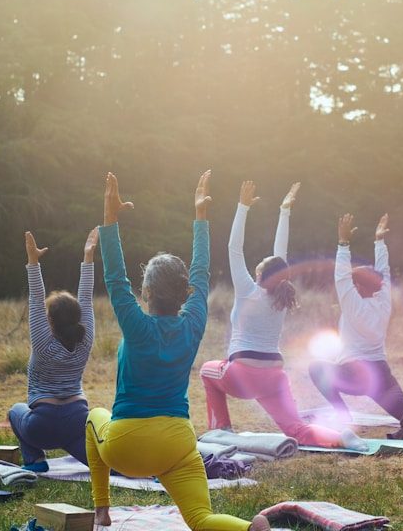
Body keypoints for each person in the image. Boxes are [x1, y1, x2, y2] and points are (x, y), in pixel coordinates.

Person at [86, 172, 269, 531]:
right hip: (178, 444)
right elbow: (201, 272)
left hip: (126, 448)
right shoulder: (193, 323)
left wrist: (110, 218)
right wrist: (201, 217)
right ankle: (249, 528)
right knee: (200, 519)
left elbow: (115, 278)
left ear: (146, 293)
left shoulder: (136, 326)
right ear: (185, 293)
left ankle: (101, 509)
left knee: (93, 415)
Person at [200, 181, 366, 450]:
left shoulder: (248, 290)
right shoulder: (281, 297)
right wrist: (284, 211)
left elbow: (234, 248)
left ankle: (222, 430)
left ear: (259, 273)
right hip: (274, 376)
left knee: (207, 371)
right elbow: (281, 255)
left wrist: (242, 207)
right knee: (296, 429)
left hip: (241, 374)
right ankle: (342, 437)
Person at [309, 213, 403, 424]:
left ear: (358, 287)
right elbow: (384, 272)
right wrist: (379, 241)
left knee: (316, 368)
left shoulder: (353, 306)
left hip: (354, 375)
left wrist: (343, 243)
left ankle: (342, 414)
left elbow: (341, 278)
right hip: (381, 375)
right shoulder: (383, 300)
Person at [8, 227, 98, 471]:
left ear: (49, 320)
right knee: (106, 464)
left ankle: (35, 461)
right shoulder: (85, 340)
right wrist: (88, 257)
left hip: (42, 426)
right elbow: (86, 298)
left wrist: (33, 261)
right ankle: (149, 470)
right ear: (78, 318)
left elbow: (36, 299)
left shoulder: (42, 343)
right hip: (77, 421)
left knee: (15, 411)